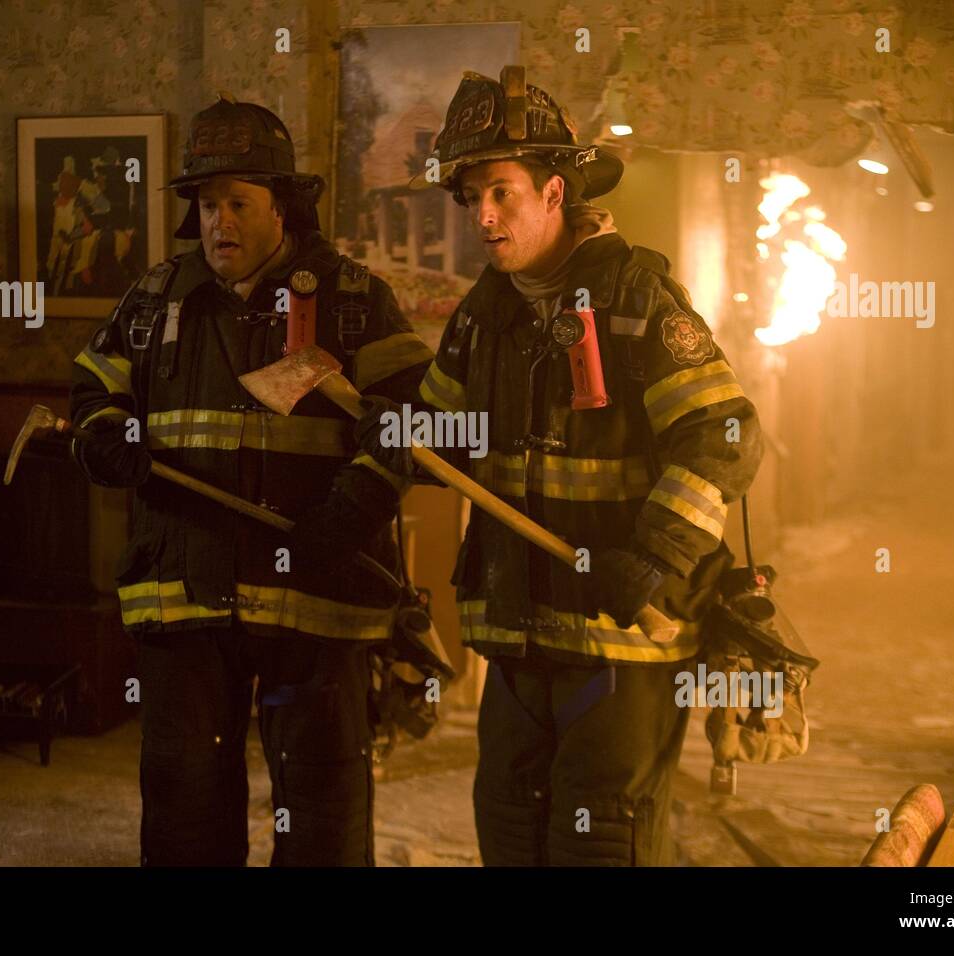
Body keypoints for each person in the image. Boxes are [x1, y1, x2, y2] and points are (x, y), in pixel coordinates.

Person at [356, 67, 765, 866]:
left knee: (600, 839)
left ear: (555, 192)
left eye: (502, 193)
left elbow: (723, 435)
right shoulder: (488, 311)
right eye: (472, 196)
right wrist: (394, 437)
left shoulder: (637, 298)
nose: (483, 215)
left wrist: (655, 557)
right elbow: (441, 432)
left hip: (623, 641)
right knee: (510, 830)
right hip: (517, 633)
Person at [68, 92, 433, 866]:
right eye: (206, 203)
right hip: (183, 590)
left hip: (316, 593)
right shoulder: (153, 300)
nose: (219, 221)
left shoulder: (356, 302)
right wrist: (107, 437)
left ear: (284, 209)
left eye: (238, 201)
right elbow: (93, 392)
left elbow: (411, 422)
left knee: (322, 810)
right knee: (185, 800)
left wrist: (349, 512)